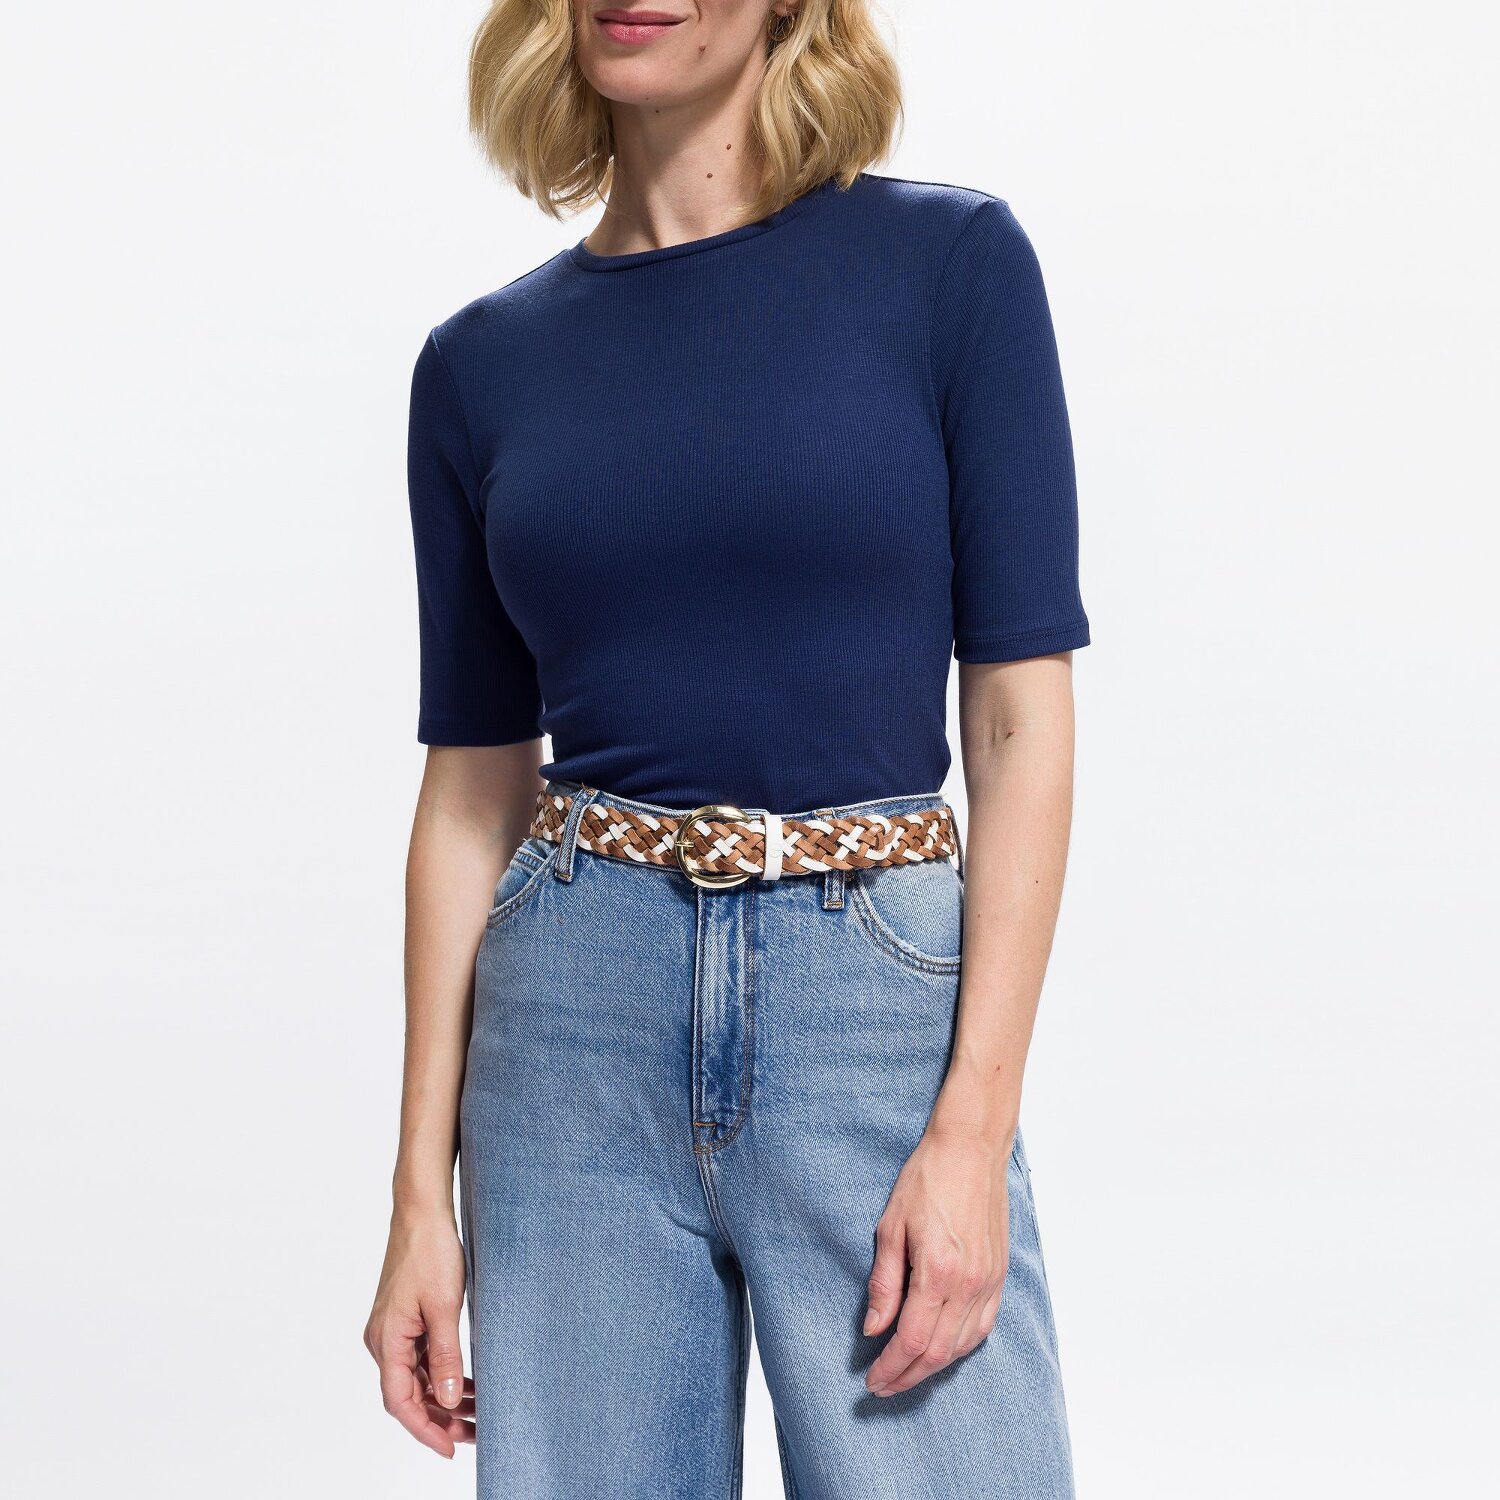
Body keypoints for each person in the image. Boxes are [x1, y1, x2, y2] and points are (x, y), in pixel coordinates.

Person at [364, 3, 1088, 1496]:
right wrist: (419, 1198)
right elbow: (471, 792)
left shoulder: (950, 270)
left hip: (871, 1001)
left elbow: (1018, 720)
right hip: (572, 1020)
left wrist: (973, 1129)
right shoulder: (479, 367)